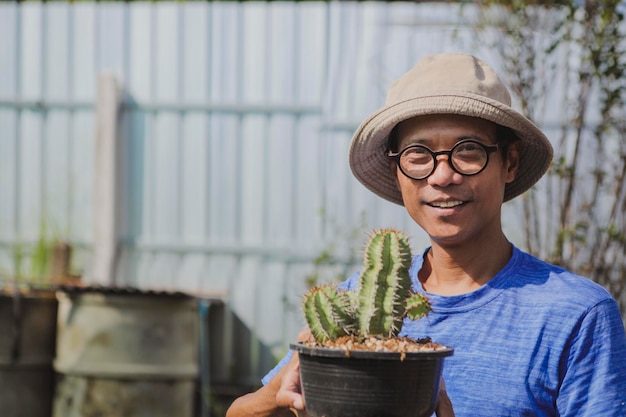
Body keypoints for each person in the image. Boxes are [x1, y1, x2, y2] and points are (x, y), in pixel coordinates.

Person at [226, 53, 626, 417]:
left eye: (468, 151)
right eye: (418, 155)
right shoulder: (354, 309)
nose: (442, 176)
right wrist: (277, 394)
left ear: (510, 162)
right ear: (398, 173)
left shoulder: (575, 314)